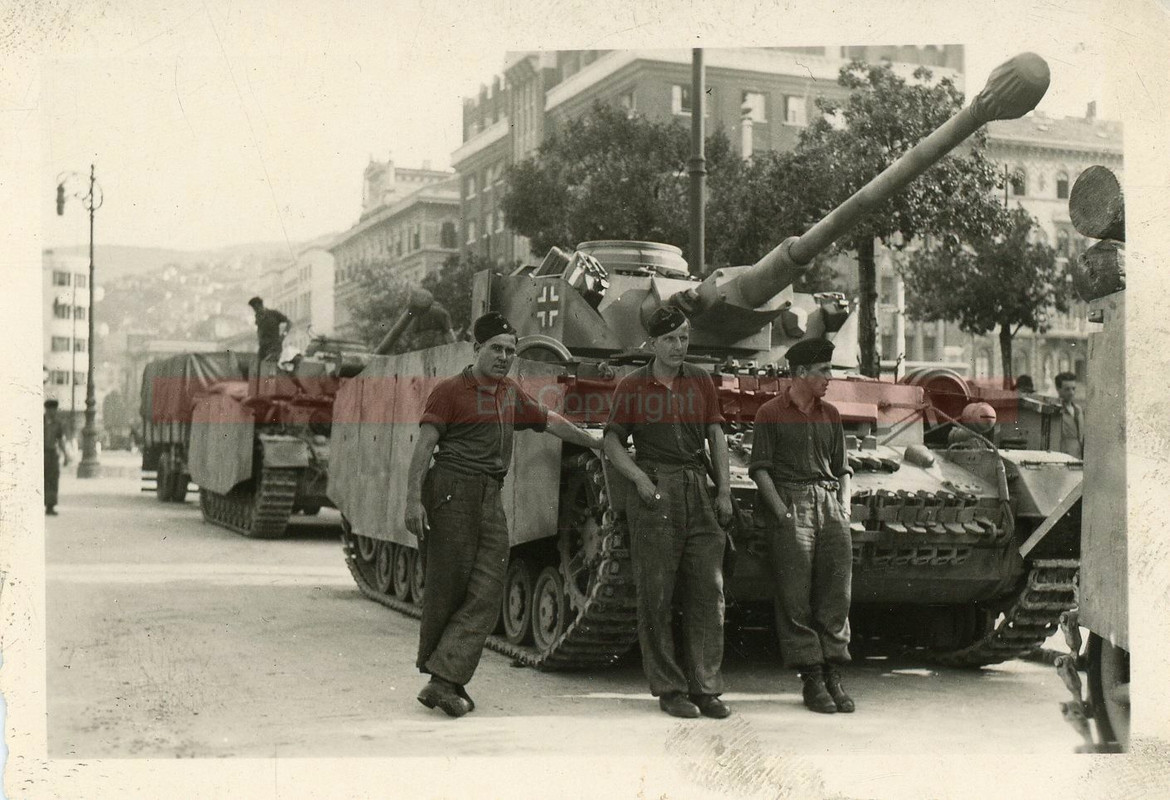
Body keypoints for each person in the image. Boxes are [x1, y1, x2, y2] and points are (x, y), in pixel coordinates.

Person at [404, 311, 599, 718]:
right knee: (449, 587)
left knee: (488, 588)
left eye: (510, 350)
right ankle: (444, 679)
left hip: (490, 495)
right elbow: (423, 449)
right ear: (476, 349)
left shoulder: (509, 392)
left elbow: (549, 421)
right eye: (496, 349)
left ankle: (443, 679)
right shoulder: (449, 392)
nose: (504, 357)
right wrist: (412, 501)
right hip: (451, 493)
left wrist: (591, 440)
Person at [602, 306, 734, 720]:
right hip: (657, 488)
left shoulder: (700, 379)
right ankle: (670, 688)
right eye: (671, 339)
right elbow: (611, 441)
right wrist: (640, 481)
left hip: (698, 486)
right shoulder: (632, 386)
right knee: (655, 593)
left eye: (684, 337)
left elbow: (716, 432)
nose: (679, 346)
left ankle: (706, 688)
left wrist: (725, 491)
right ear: (653, 344)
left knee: (708, 593)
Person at [749, 337, 855, 714]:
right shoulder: (769, 413)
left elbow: (843, 467)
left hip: (829, 504)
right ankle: (811, 678)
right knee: (795, 598)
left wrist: (842, 505)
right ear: (800, 373)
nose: (829, 377)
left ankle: (833, 674)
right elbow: (760, 469)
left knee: (836, 594)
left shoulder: (831, 414)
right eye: (823, 371)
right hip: (792, 503)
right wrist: (781, 512)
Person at [43, 399, 70, 515]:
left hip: (52, 454)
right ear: (47, 409)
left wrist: (66, 455)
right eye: (50, 409)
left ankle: (50, 506)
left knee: (53, 480)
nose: (53, 412)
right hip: (41, 454)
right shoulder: (39, 421)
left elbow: (61, 441)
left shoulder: (58, 424)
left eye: (54, 409)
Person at [248, 296, 290, 362]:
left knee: (270, 366)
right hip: (263, 348)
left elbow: (289, 322)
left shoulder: (273, 314)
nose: (256, 311)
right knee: (258, 366)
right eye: (254, 309)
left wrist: (283, 335)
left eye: (257, 308)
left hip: (274, 347)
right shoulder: (258, 318)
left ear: (261, 305)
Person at [1054, 372, 1084, 458]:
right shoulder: (1055, 410)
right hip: (1062, 458)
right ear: (1058, 389)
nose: (1072, 392)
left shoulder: (1078, 410)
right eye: (1067, 389)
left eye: (1073, 389)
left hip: (1079, 459)